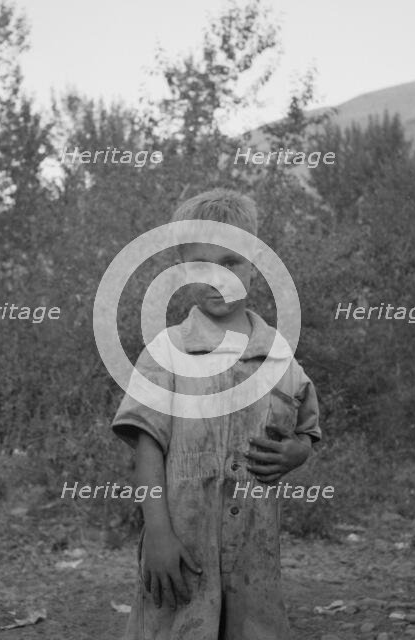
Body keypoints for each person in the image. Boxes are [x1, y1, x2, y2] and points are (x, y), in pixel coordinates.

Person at [112, 188, 321, 640]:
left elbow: (307, 431)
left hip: (253, 553)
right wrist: (159, 535)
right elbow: (148, 448)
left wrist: (296, 455)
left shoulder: (281, 360)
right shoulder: (166, 351)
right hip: (182, 546)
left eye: (232, 263)